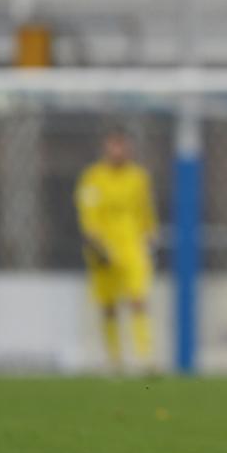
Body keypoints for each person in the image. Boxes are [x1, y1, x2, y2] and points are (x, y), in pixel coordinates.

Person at [75, 129, 158, 373]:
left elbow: (145, 210)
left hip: (132, 246)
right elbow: (88, 213)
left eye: (122, 146)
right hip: (103, 247)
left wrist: (150, 235)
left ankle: (144, 357)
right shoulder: (93, 177)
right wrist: (95, 241)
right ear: (106, 148)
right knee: (108, 305)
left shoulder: (138, 177)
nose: (118, 151)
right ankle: (114, 360)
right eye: (114, 146)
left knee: (138, 299)